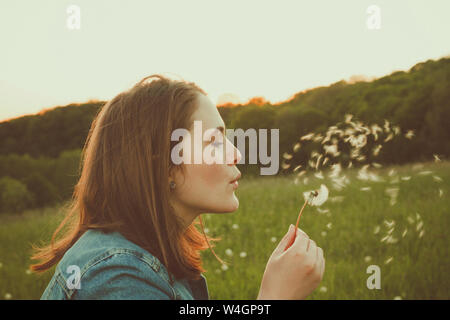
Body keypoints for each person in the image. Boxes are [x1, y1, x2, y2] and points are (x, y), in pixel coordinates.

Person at [30, 74, 325, 300]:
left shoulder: (143, 258)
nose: (237, 154)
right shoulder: (116, 275)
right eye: (214, 141)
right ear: (163, 164)